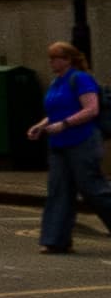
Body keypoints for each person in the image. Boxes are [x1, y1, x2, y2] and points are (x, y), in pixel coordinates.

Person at [30, 42, 106, 253]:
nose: (51, 62)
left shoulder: (80, 79)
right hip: (59, 144)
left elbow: (91, 109)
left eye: (55, 58)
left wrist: (65, 124)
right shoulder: (56, 82)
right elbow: (56, 113)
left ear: (68, 60)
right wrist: (41, 125)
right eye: (50, 58)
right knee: (58, 191)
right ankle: (55, 241)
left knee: (93, 190)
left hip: (82, 141)